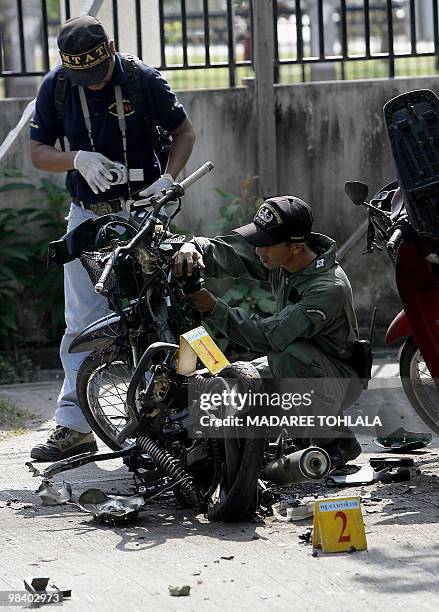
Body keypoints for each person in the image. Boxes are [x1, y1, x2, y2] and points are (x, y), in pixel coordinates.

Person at [29, 15, 195, 461]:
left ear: (112, 49)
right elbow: (38, 153)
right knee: (82, 324)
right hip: (87, 218)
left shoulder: (142, 80)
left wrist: (169, 178)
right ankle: (74, 425)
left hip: (141, 214)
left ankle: (169, 419)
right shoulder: (58, 86)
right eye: (84, 76)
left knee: (159, 316)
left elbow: (184, 132)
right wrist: (76, 159)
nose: (95, 84)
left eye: (99, 73)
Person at [174, 196, 363, 467]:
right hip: (299, 362)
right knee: (231, 383)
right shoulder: (283, 257)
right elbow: (231, 252)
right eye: (257, 240)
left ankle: (338, 440)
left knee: (292, 357)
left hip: (335, 376)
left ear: (296, 246)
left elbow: (268, 337)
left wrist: (214, 308)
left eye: (264, 244)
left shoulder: (327, 288)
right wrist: (193, 247)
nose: (258, 250)